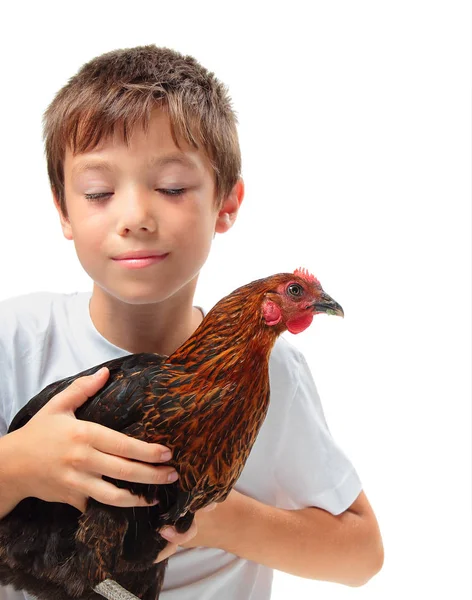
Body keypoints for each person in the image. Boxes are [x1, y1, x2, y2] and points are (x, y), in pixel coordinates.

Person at [0, 45, 383, 600]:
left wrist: (214, 519)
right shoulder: (18, 339)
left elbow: (362, 557)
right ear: (63, 208)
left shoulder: (277, 376)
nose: (135, 218)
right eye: (99, 192)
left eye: (173, 187)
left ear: (226, 202)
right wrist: (16, 464)